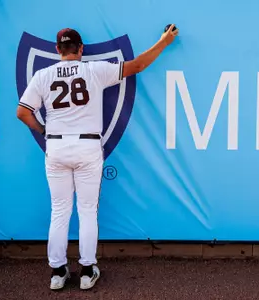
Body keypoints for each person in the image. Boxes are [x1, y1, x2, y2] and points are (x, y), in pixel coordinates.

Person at [16, 25, 179, 290]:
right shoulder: (93, 70)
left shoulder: (43, 75)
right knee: (87, 211)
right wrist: (164, 42)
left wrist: (45, 129)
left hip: (56, 146)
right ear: (81, 49)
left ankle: (58, 272)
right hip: (87, 146)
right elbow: (136, 66)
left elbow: (23, 112)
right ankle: (87, 270)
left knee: (59, 211)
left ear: (57, 50)